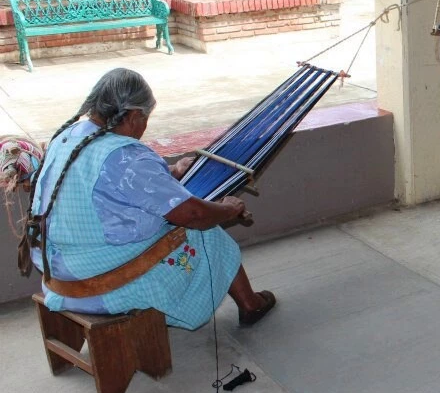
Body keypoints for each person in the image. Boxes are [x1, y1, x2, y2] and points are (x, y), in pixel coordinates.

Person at [25, 68, 275, 329]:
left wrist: (172, 172)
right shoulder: (126, 156)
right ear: (133, 116)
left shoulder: (69, 137)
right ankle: (250, 304)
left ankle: (247, 302)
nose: (144, 126)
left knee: (184, 218)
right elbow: (194, 216)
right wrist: (228, 209)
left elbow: (107, 183)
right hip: (93, 281)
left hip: (57, 271)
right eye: (145, 118)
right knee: (203, 232)